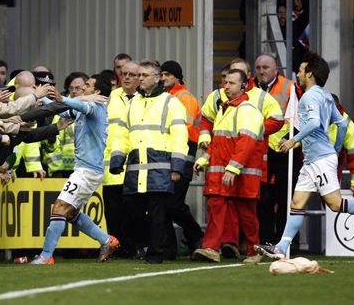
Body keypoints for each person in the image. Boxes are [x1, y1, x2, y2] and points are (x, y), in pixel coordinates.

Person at [255, 52, 354, 260]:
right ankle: (280, 247)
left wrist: (294, 140)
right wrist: (336, 148)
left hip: (319, 159)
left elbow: (312, 124)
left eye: (302, 70)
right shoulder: (326, 95)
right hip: (316, 159)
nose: (298, 73)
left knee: (335, 204)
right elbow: (341, 123)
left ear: (310, 73)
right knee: (297, 203)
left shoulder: (310, 96)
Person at [32, 74, 119, 265]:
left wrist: (62, 98)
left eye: (87, 85)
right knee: (71, 213)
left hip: (87, 172)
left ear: (96, 91)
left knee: (59, 207)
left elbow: (79, 106)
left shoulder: (95, 107)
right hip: (86, 170)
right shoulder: (85, 109)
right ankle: (107, 240)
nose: (82, 88)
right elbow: (65, 112)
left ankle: (46, 256)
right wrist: (40, 97)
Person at [109, 60, 189, 264]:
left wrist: (177, 167)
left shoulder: (171, 103)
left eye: (144, 76)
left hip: (160, 167)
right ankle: (149, 246)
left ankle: (156, 253)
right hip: (136, 167)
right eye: (139, 75)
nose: (139, 79)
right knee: (134, 211)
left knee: (158, 214)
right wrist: (117, 158)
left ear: (157, 78)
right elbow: (122, 133)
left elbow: (180, 136)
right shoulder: (133, 102)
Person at [192, 69, 265, 263]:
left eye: (232, 83)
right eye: (225, 82)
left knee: (247, 214)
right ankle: (211, 248)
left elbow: (246, 143)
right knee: (216, 208)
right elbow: (220, 143)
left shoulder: (247, 110)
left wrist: (232, 168)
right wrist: (204, 159)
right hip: (224, 171)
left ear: (244, 85)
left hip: (240, 173)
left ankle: (253, 251)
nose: (226, 86)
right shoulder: (226, 108)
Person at [254, 53, 302, 245]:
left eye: (265, 67)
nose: (261, 71)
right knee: (263, 198)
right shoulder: (251, 88)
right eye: (258, 68)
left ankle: (287, 242)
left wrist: (290, 140)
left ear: (275, 70)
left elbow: (299, 117)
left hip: (285, 149)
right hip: (260, 149)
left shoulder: (289, 87)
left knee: (286, 199)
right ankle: (265, 241)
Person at [160, 60, 204, 258]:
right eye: (162, 74)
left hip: (182, 153)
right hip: (174, 153)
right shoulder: (168, 97)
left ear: (177, 77)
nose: (163, 78)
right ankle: (172, 247)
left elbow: (182, 129)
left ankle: (195, 235)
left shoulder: (183, 98)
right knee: (166, 205)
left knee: (172, 204)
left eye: (168, 74)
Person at [102, 60, 142, 258]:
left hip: (135, 164)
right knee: (113, 212)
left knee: (134, 212)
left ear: (139, 78)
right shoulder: (112, 96)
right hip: (112, 164)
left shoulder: (144, 98)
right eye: (124, 74)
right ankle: (116, 247)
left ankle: (133, 246)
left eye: (131, 74)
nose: (126, 77)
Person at [44, 72, 89, 178]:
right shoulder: (62, 110)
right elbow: (54, 142)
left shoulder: (92, 108)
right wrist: (57, 169)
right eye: (71, 88)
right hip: (66, 171)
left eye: (77, 88)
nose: (73, 91)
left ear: (85, 89)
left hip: (88, 168)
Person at [330, 94, 354, 197]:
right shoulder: (313, 116)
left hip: (332, 172)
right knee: (297, 203)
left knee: (332, 206)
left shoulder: (347, 124)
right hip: (306, 168)